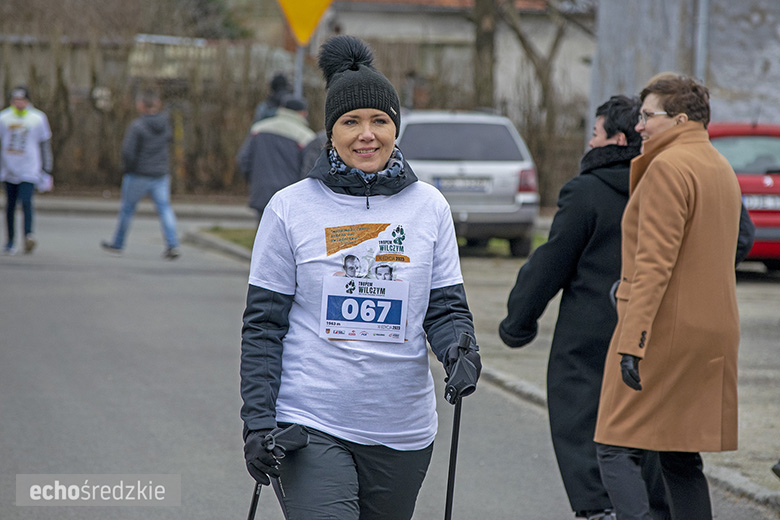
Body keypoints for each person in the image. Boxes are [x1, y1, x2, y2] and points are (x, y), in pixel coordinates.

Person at [240, 35, 481, 520]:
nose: (366, 134)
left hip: (402, 431)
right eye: (350, 122)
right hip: (310, 423)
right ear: (330, 133)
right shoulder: (290, 208)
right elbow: (264, 325)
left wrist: (460, 347)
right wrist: (258, 422)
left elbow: (444, 306)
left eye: (380, 121)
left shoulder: (429, 207)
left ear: (396, 128)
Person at [499, 96, 670, 520]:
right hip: (657, 329)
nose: (588, 144)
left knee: (583, 425)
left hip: (591, 336)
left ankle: (600, 510)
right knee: (649, 429)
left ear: (616, 138)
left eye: (594, 134)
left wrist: (518, 323)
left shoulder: (588, 191)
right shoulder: (667, 184)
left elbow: (551, 263)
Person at [594, 74, 743, 520]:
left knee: (613, 444)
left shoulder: (667, 168)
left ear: (679, 119)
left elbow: (653, 266)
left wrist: (632, 341)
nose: (639, 126)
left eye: (647, 116)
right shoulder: (718, 165)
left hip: (663, 331)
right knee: (679, 454)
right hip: (712, 333)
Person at [101, 89, 180, 259]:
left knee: (127, 210)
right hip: (160, 174)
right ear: (157, 104)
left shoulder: (137, 126)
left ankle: (118, 243)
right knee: (165, 209)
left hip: (138, 174)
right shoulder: (166, 124)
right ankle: (173, 244)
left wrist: (128, 169)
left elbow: (128, 152)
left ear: (141, 105)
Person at [237, 96, 315, 221]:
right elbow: (308, 170)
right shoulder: (306, 137)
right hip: (291, 198)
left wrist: (254, 181)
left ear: (281, 109)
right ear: (303, 113)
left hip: (262, 191)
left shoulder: (259, 129)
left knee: (263, 236)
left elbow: (244, 159)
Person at [0, 86, 53, 255]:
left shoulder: (37, 118)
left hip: (30, 168)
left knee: (26, 201)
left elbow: (45, 144)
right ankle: (10, 241)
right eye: (15, 100)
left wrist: (46, 168)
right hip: (9, 168)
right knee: (10, 206)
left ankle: (28, 235)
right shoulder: (4, 118)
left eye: (21, 100)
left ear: (28, 101)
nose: (18, 103)